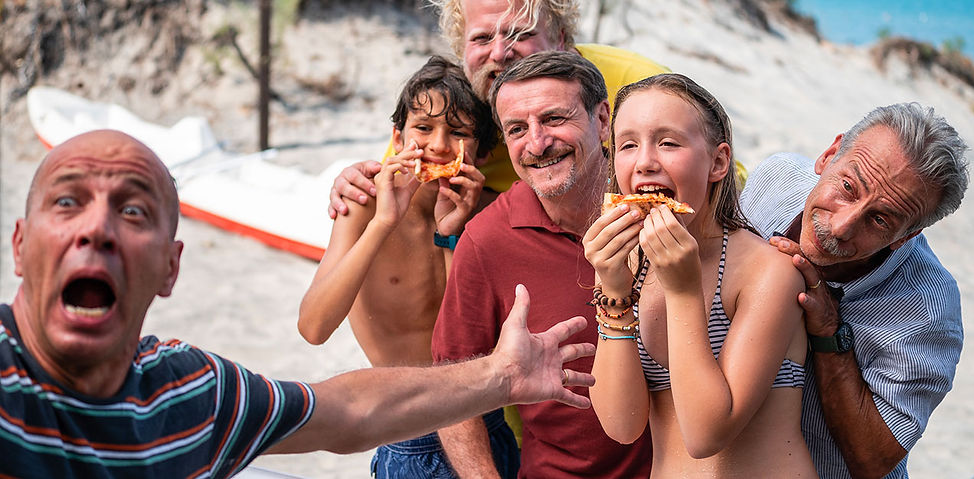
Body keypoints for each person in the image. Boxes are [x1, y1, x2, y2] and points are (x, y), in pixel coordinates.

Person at [0, 129, 597, 478]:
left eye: (133, 211)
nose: (97, 230)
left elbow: (347, 411)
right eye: (68, 203)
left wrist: (503, 374)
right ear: (21, 248)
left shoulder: (189, 395)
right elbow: (315, 325)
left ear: (170, 267)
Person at [431, 51, 653, 478]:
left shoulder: (657, 203)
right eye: (517, 129)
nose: (537, 143)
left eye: (553, 119)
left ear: (603, 120)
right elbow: (451, 384)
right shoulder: (487, 239)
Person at [583, 73, 817, 477]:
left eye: (668, 142)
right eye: (628, 145)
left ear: (719, 161)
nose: (645, 162)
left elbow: (707, 433)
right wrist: (615, 291)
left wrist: (683, 292)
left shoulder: (768, 272)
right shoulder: (628, 266)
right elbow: (622, 426)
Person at [296, 56, 517, 478]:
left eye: (458, 133)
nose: (437, 145)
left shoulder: (490, 213)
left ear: (483, 152)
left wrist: (453, 231)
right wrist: (383, 223)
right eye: (423, 128)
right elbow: (313, 327)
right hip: (409, 432)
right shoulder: (362, 208)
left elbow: (466, 342)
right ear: (397, 138)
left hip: (487, 423)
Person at [328, 0, 670, 214]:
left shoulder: (638, 85)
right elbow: (401, 191)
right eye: (480, 39)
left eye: (519, 33)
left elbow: (714, 177)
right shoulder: (451, 110)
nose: (499, 52)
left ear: (561, 39)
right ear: (461, 50)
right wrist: (354, 184)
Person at [738, 102, 969, 479]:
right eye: (847, 187)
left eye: (880, 220)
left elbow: (873, 461)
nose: (843, 226)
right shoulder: (773, 181)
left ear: (906, 236)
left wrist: (828, 329)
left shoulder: (928, 311)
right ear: (829, 155)